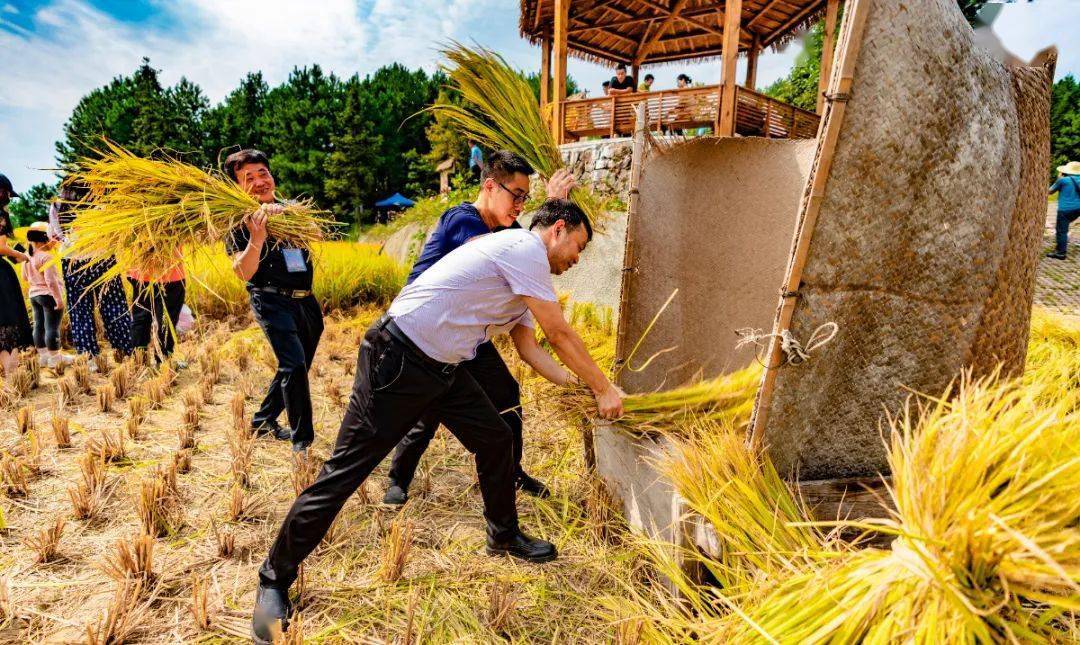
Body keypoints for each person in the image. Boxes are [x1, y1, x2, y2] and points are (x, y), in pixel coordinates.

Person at [251, 199, 623, 642]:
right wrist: (603, 386)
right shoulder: (522, 247)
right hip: (399, 358)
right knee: (344, 473)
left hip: (444, 368)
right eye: (577, 248)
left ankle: (503, 536)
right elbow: (560, 333)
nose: (576, 260)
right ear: (558, 229)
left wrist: (577, 386)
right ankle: (273, 580)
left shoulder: (524, 272)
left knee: (496, 438)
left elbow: (531, 349)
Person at [382, 151, 577, 507]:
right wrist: (550, 204)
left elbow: (536, 241)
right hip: (426, 331)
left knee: (506, 393)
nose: (520, 205)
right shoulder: (462, 219)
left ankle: (511, 471)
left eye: (525, 198)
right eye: (515, 195)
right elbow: (495, 253)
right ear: (490, 186)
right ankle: (398, 477)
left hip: (466, 333)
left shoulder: (505, 228)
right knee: (428, 409)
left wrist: (555, 210)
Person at [224, 149, 323, 451]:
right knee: (293, 365)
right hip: (271, 300)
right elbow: (243, 271)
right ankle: (302, 439)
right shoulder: (237, 221)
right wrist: (258, 236)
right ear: (238, 187)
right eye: (248, 178)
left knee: (296, 365)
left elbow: (318, 235)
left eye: (262, 173)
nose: (259, 182)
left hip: (306, 301)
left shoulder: (291, 208)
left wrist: (290, 216)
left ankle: (262, 420)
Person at [48, 181, 134, 363]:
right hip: (102, 257)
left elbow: (55, 234)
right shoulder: (101, 204)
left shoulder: (57, 205)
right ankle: (125, 350)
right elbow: (115, 231)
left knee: (80, 309)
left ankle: (89, 358)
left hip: (72, 260)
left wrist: (71, 241)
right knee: (114, 304)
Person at [22, 221, 69, 368]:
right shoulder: (46, 257)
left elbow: (24, 277)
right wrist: (58, 300)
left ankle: (43, 357)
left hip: (34, 295)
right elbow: (51, 281)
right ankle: (55, 358)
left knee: (39, 326)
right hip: (48, 295)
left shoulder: (26, 256)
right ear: (44, 239)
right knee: (52, 328)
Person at [0, 174, 32, 377]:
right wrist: (20, 255)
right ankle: (12, 378)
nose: (9, 199)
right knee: (7, 324)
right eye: (7, 194)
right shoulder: (0, 216)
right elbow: (0, 248)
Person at [128, 256, 186, 360]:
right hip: (170, 274)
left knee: (141, 318)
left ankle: (138, 360)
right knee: (166, 321)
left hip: (141, 273)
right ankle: (163, 361)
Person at [1047, 161, 1080, 260]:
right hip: (1078, 209)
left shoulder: (1063, 180)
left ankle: (1061, 253)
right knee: (1064, 228)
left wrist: (1058, 178)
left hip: (1065, 210)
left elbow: (1050, 191)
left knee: (1061, 231)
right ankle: (1060, 247)